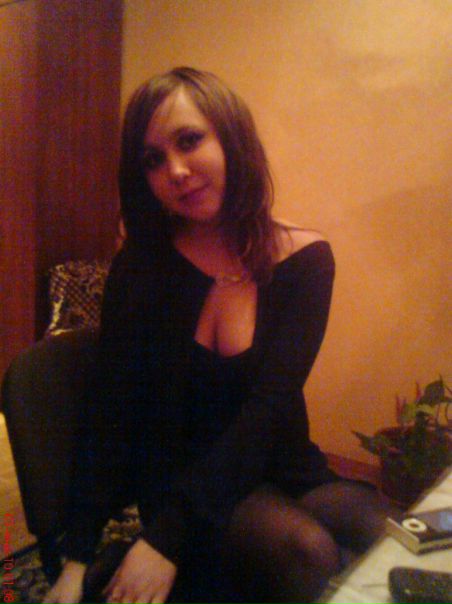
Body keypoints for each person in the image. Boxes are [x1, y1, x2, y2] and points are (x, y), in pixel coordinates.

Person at [44, 67, 397, 604]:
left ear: (231, 137)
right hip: (179, 478)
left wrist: (166, 543)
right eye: (153, 159)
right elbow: (110, 409)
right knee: (306, 550)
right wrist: (82, 556)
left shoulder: (306, 262)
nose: (176, 171)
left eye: (189, 141)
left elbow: (268, 409)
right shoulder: (140, 266)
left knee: (395, 538)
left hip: (278, 462)